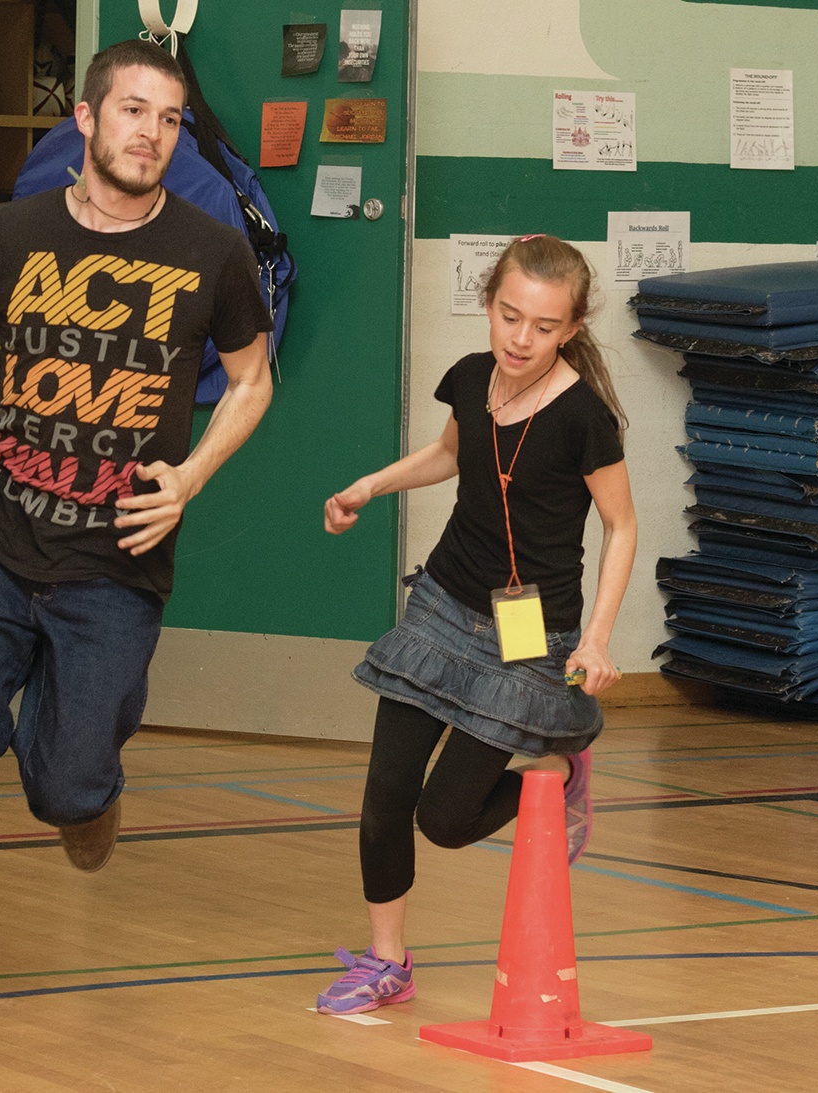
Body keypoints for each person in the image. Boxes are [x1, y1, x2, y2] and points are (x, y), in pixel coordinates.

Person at [0, 39, 274, 1043]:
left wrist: (190, 476)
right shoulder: (6, 233)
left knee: (64, 783)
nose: (152, 132)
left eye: (170, 118)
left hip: (117, 562)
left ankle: (85, 775)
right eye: (135, 111)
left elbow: (252, 378)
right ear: (89, 121)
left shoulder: (210, 247)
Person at [314, 234, 637, 1016]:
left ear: (571, 328)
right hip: (444, 602)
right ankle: (387, 961)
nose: (520, 338)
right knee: (385, 794)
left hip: (529, 632)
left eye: (543, 325)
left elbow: (621, 527)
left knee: (445, 819)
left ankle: (555, 767)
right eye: (508, 315)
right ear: (489, 302)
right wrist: (370, 484)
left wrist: (595, 638)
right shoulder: (466, 378)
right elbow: (450, 456)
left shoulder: (584, 419)